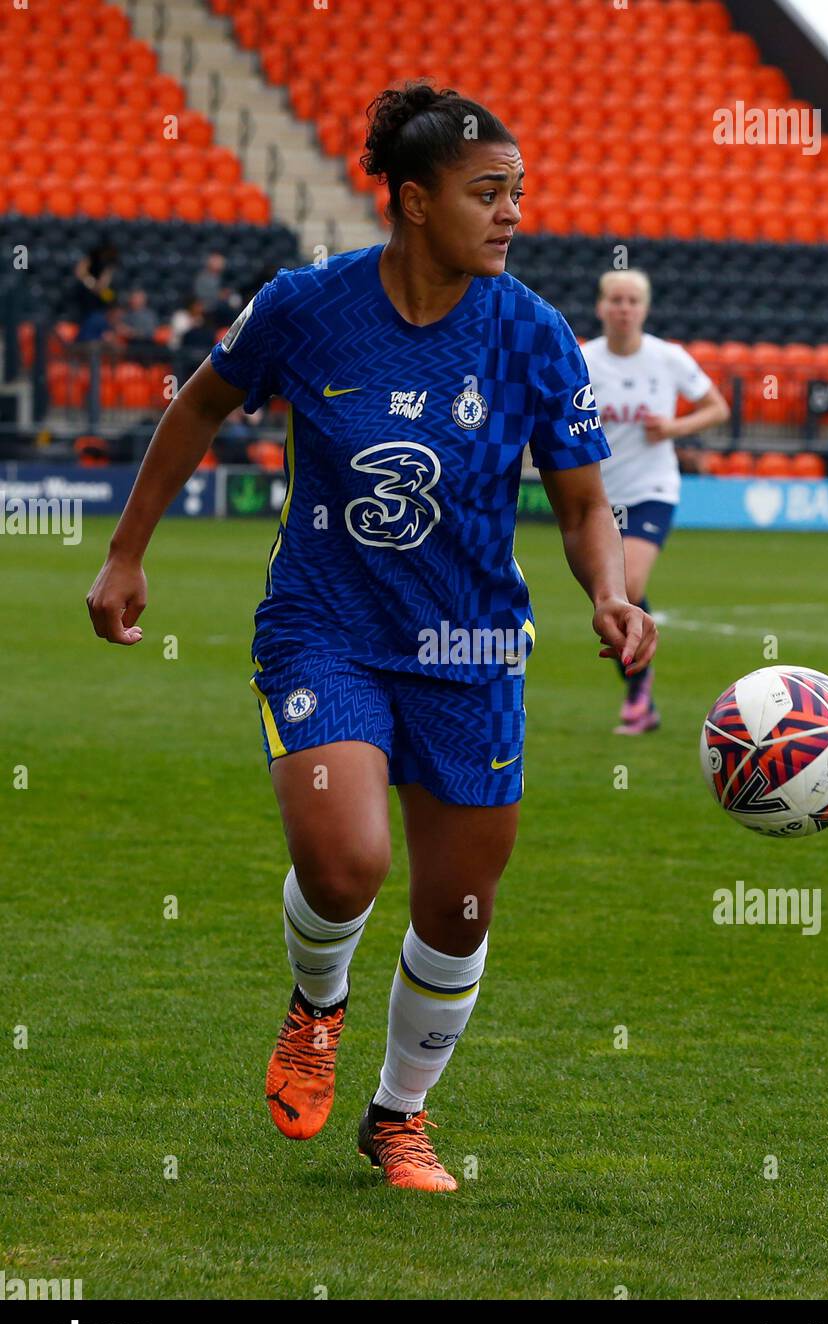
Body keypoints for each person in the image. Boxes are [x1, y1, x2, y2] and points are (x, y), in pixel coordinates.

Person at [86, 81, 656, 1194]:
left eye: (518, 194)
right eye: (486, 193)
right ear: (409, 200)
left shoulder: (534, 335)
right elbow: (198, 404)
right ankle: (316, 1005)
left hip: (473, 651)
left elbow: (585, 503)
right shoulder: (305, 306)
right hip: (325, 629)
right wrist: (123, 552)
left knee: (457, 910)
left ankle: (398, 1115)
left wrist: (605, 590)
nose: (510, 214)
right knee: (345, 861)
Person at [581, 270, 728, 734]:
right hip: (601, 498)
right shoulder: (583, 359)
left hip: (652, 490)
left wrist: (674, 428)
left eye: (632, 301)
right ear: (601, 307)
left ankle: (639, 687)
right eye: (616, 300)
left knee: (627, 580)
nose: (624, 308)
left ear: (644, 309)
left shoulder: (667, 358)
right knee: (612, 596)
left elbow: (717, 407)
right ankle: (639, 690)